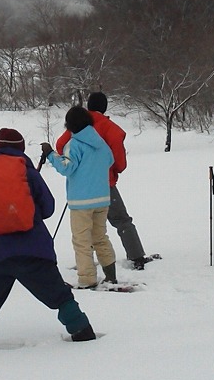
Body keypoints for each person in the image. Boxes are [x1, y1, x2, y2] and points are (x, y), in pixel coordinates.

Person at [0, 127, 95, 357]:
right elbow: (48, 208)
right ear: (22, 148)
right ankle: (83, 332)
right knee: (60, 296)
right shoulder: (28, 173)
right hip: (33, 252)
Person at [55, 92, 153, 270]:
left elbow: (61, 145)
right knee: (121, 220)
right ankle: (136, 255)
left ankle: (86, 263)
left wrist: (77, 166)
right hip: (104, 184)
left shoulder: (77, 124)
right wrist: (112, 171)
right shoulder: (110, 128)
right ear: (105, 107)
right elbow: (119, 162)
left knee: (85, 226)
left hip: (81, 187)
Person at [40, 105, 118, 289]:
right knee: (100, 237)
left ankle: (87, 279)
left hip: (81, 202)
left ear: (70, 125)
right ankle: (111, 275)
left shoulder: (74, 144)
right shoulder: (100, 143)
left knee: (82, 241)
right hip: (102, 198)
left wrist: (51, 154)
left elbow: (66, 168)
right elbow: (110, 161)